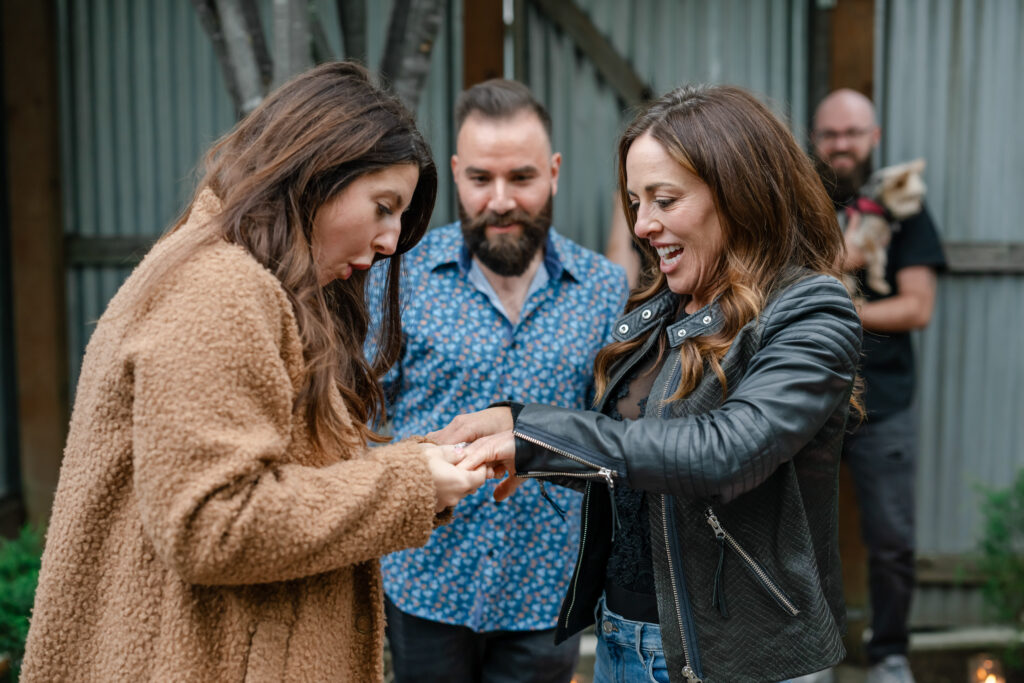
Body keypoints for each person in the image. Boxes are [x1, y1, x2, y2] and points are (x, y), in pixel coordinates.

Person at [21, 62, 487, 682]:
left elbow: (271, 478)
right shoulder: (218, 288)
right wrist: (408, 484)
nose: (391, 241)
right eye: (383, 207)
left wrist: (419, 464)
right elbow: (213, 521)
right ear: (319, 170)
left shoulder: (248, 282)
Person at [435, 84, 864, 683]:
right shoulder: (665, 304)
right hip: (622, 638)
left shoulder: (810, 310)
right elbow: (639, 466)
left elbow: (724, 452)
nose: (643, 225)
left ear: (738, 193)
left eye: (664, 200)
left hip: (728, 659)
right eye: (636, 201)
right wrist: (522, 445)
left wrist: (533, 434)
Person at [371, 79, 628, 682]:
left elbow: (615, 438)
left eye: (522, 177)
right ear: (457, 175)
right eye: (481, 179)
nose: (501, 200)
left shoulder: (604, 291)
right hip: (423, 582)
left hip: (545, 592)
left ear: (555, 172)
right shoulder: (398, 278)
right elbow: (358, 419)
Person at [805, 89, 946, 683]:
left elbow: (916, 308)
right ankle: (808, 655)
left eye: (852, 133)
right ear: (816, 139)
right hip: (805, 398)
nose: (841, 144)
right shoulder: (799, 205)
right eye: (831, 133)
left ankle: (889, 653)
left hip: (883, 401)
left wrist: (834, 301)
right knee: (801, 537)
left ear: (874, 138)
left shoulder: (902, 208)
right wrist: (841, 263)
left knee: (890, 541)